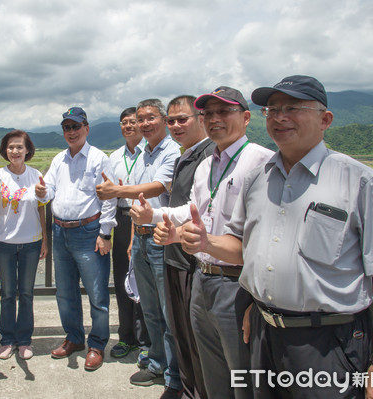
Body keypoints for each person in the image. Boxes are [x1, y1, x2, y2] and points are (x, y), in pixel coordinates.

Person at [180, 75, 373, 399]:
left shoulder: (361, 182)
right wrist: (208, 246)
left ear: (325, 119)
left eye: (292, 107)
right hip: (263, 334)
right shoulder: (256, 181)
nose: (279, 116)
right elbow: (247, 251)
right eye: (272, 109)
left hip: (328, 343)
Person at [136, 87, 274, 399]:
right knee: (212, 373)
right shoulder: (206, 164)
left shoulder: (261, 162)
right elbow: (194, 210)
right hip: (203, 278)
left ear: (247, 117)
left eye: (224, 111)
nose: (214, 119)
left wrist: (257, 297)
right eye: (208, 113)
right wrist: (157, 218)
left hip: (239, 286)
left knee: (244, 377)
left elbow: (265, 239)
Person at [96, 99, 182, 397]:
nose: (144, 124)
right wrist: (133, 236)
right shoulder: (145, 151)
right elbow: (140, 204)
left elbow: (159, 187)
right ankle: (157, 361)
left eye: (150, 118)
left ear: (164, 119)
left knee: (166, 307)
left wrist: (116, 190)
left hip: (162, 236)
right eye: (141, 118)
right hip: (141, 234)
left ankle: (174, 374)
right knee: (149, 306)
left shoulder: (171, 150)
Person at [35, 107, 117, 371]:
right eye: (67, 128)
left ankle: (96, 344)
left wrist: (105, 233)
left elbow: (109, 197)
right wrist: (40, 191)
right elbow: (48, 192)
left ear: (87, 128)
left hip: (89, 232)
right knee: (66, 292)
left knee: (97, 293)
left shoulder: (98, 158)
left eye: (76, 126)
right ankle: (74, 338)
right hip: (60, 232)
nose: (71, 132)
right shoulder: (59, 159)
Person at [0, 130, 48, 361]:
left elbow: (41, 206)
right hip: (4, 243)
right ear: (5, 151)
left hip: (31, 242)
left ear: (28, 150)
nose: (15, 151)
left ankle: (24, 340)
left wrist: (44, 240)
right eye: (11, 147)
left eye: (19, 147)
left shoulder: (36, 175)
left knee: (27, 293)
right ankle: (7, 339)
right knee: (8, 294)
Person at [107, 107, 151, 361]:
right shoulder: (113, 157)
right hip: (121, 221)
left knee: (144, 282)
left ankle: (146, 339)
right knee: (123, 279)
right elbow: (109, 193)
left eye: (133, 122)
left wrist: (125, 191)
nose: (128, 126)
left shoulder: (150, 154)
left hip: (145, 221)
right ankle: (126, 337)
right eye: (124, 122)